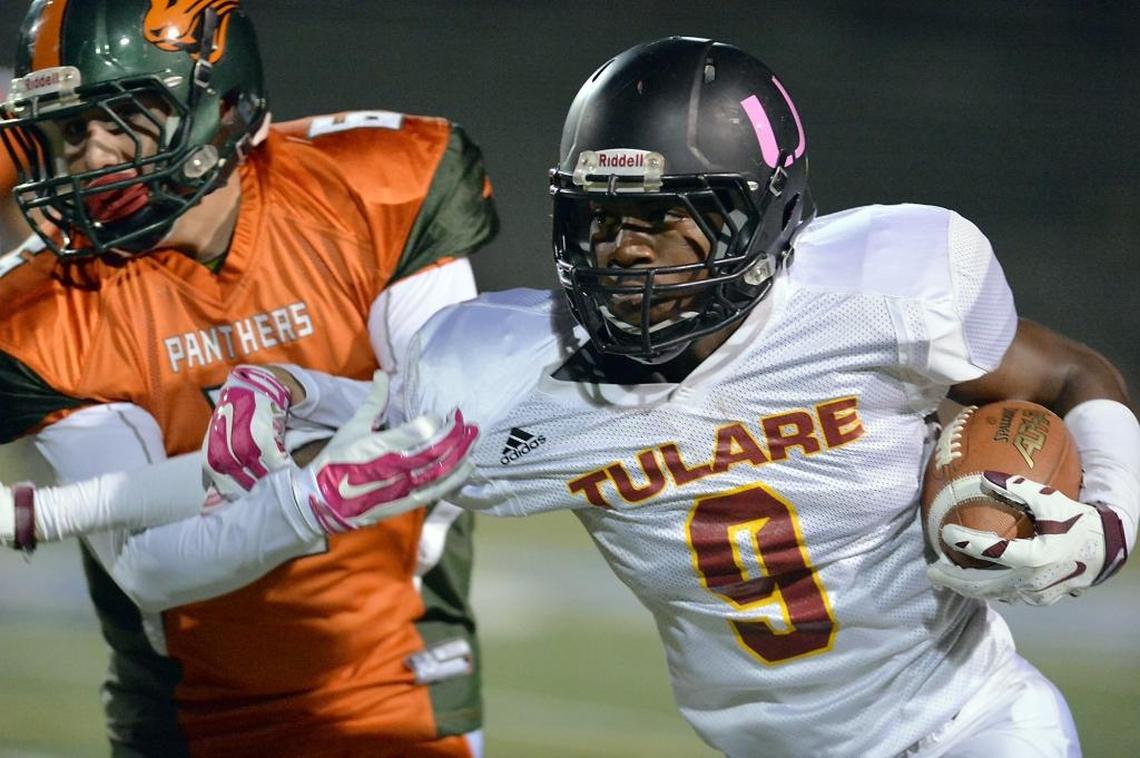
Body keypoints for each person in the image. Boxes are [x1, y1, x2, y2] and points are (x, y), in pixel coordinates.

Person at [6, 34, 1137, 756]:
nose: (630, 256)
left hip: (971, 727)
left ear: (760, 220)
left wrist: (1114, 517)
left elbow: (1078, 374)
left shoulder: (887, 292)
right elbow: (319, 465)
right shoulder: (509, 373)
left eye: (665, 220)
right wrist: (289, 396)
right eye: (603, 222)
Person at [0, 0, 497, 755]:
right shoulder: (38, 312)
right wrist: (312, 497)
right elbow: (155, 568)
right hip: (189, 707)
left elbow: (447, 431)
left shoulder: (378, 189)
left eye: (124, 115)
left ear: (223, 107)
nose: (93, 157)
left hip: (397, 668)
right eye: (71, 130)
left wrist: (321, 463)